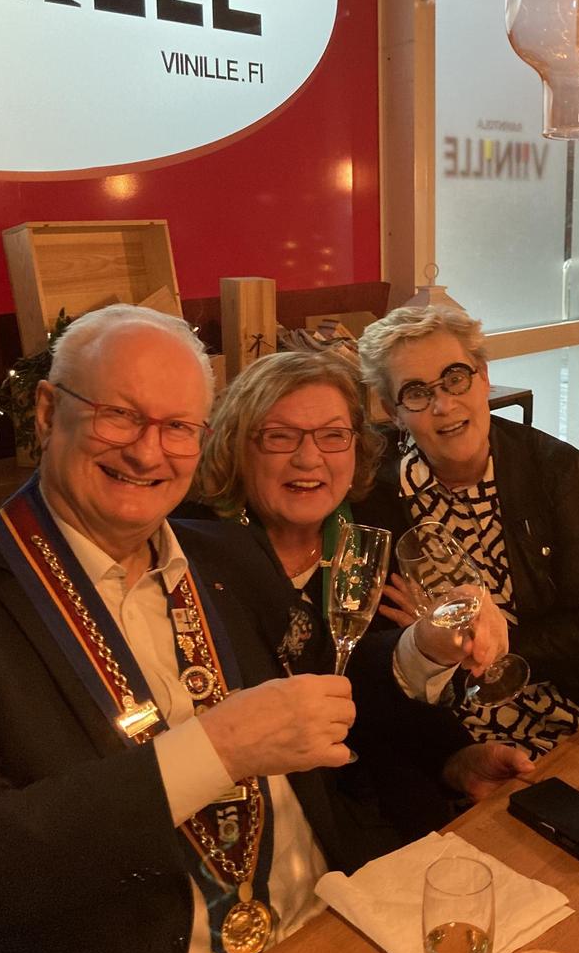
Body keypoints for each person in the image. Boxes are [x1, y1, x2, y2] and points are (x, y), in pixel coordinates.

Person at [0, 306, 526, 953]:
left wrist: (425, 655)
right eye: (118, 414)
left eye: (176, 426)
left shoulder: (226, 555)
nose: (148, 450)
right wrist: (215, 750)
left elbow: (333, 692)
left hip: (341, 932)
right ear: (47, 410)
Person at [188, 348, 532, 835]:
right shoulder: (197, 550)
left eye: (333, 435)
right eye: (280, 436)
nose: (309, 458)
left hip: (376, 795)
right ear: (236, 446)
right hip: (260, 817)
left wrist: (455, 759)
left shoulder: (372, 523)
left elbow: (380, 687)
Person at [355, 304, 579, 754]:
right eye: (416, 392)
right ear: (394, 411)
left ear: (483, 376)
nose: (444, 405)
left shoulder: (557, 472)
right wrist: (421, 646)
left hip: (566, 713)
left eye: (455, 378)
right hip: (441, 736)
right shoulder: (372, 496)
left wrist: (472, 643)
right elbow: (377, 653)